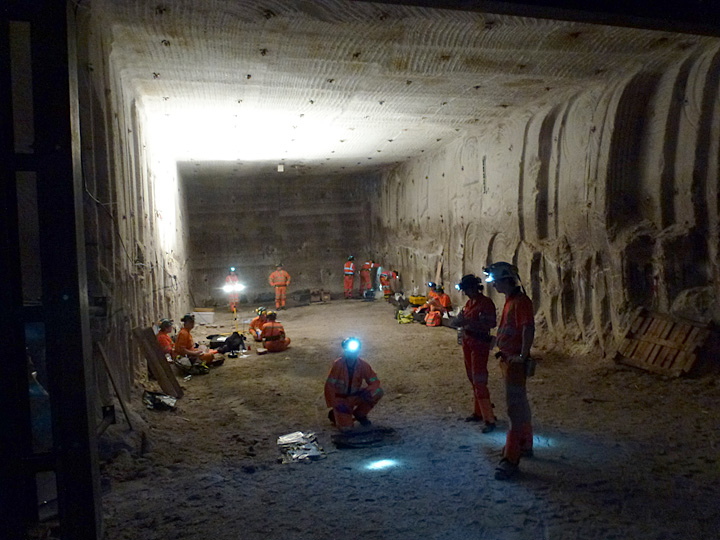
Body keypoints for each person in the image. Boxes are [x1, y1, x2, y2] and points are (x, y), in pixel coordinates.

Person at [483, 262, 535, 481]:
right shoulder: (510, 302)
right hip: (508, 359)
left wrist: (522, 356)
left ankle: (511, 460)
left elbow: (528, 328)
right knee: (520, 405)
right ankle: (525, 444)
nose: (494, 285)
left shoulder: (520, 302)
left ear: (506, 280)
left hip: (514, 362)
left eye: (496, 281)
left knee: (515, 410)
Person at [453, 274, 497, 433]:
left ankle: (489, 419)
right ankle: (478, 412)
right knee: (472, 378)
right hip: (468, 341)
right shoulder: (469, 303)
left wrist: (470, 322)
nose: (466, 293)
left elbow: (492, 322)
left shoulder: (485, 303)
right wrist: (460, 321)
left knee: (479, 379)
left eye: (468, 289)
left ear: (475, 288)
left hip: (479, 343)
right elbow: (464, 319)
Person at [324, 337, 383, 431]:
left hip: (355, 396)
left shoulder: (363, 365)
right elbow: (329, 386)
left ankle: (360, 414)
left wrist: (368, 391)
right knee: (347, 429)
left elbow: (375, 381)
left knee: (377, 391)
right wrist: (335, 403)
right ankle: (336, 414)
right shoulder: (338, 365)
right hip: (341, 399)